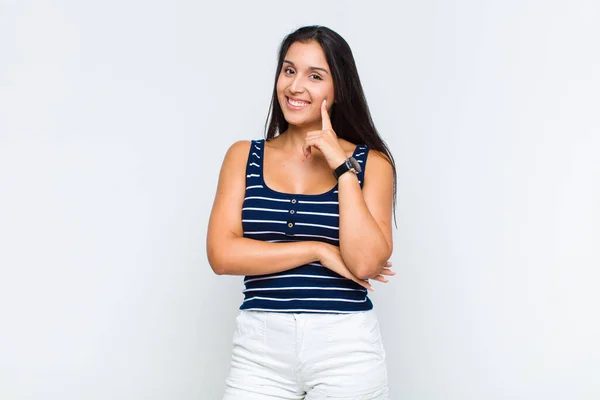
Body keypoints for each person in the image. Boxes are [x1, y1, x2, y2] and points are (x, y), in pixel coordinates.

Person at [207, 25, 397, 400]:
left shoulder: (370, 164)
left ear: (338, 88)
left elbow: (364, 264)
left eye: (315, 76)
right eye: (289, 70)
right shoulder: (243, 156)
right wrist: (318, 250)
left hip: (345, 349)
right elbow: (222, 255)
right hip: (260, 351)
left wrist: (341, 166)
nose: (295, 87)